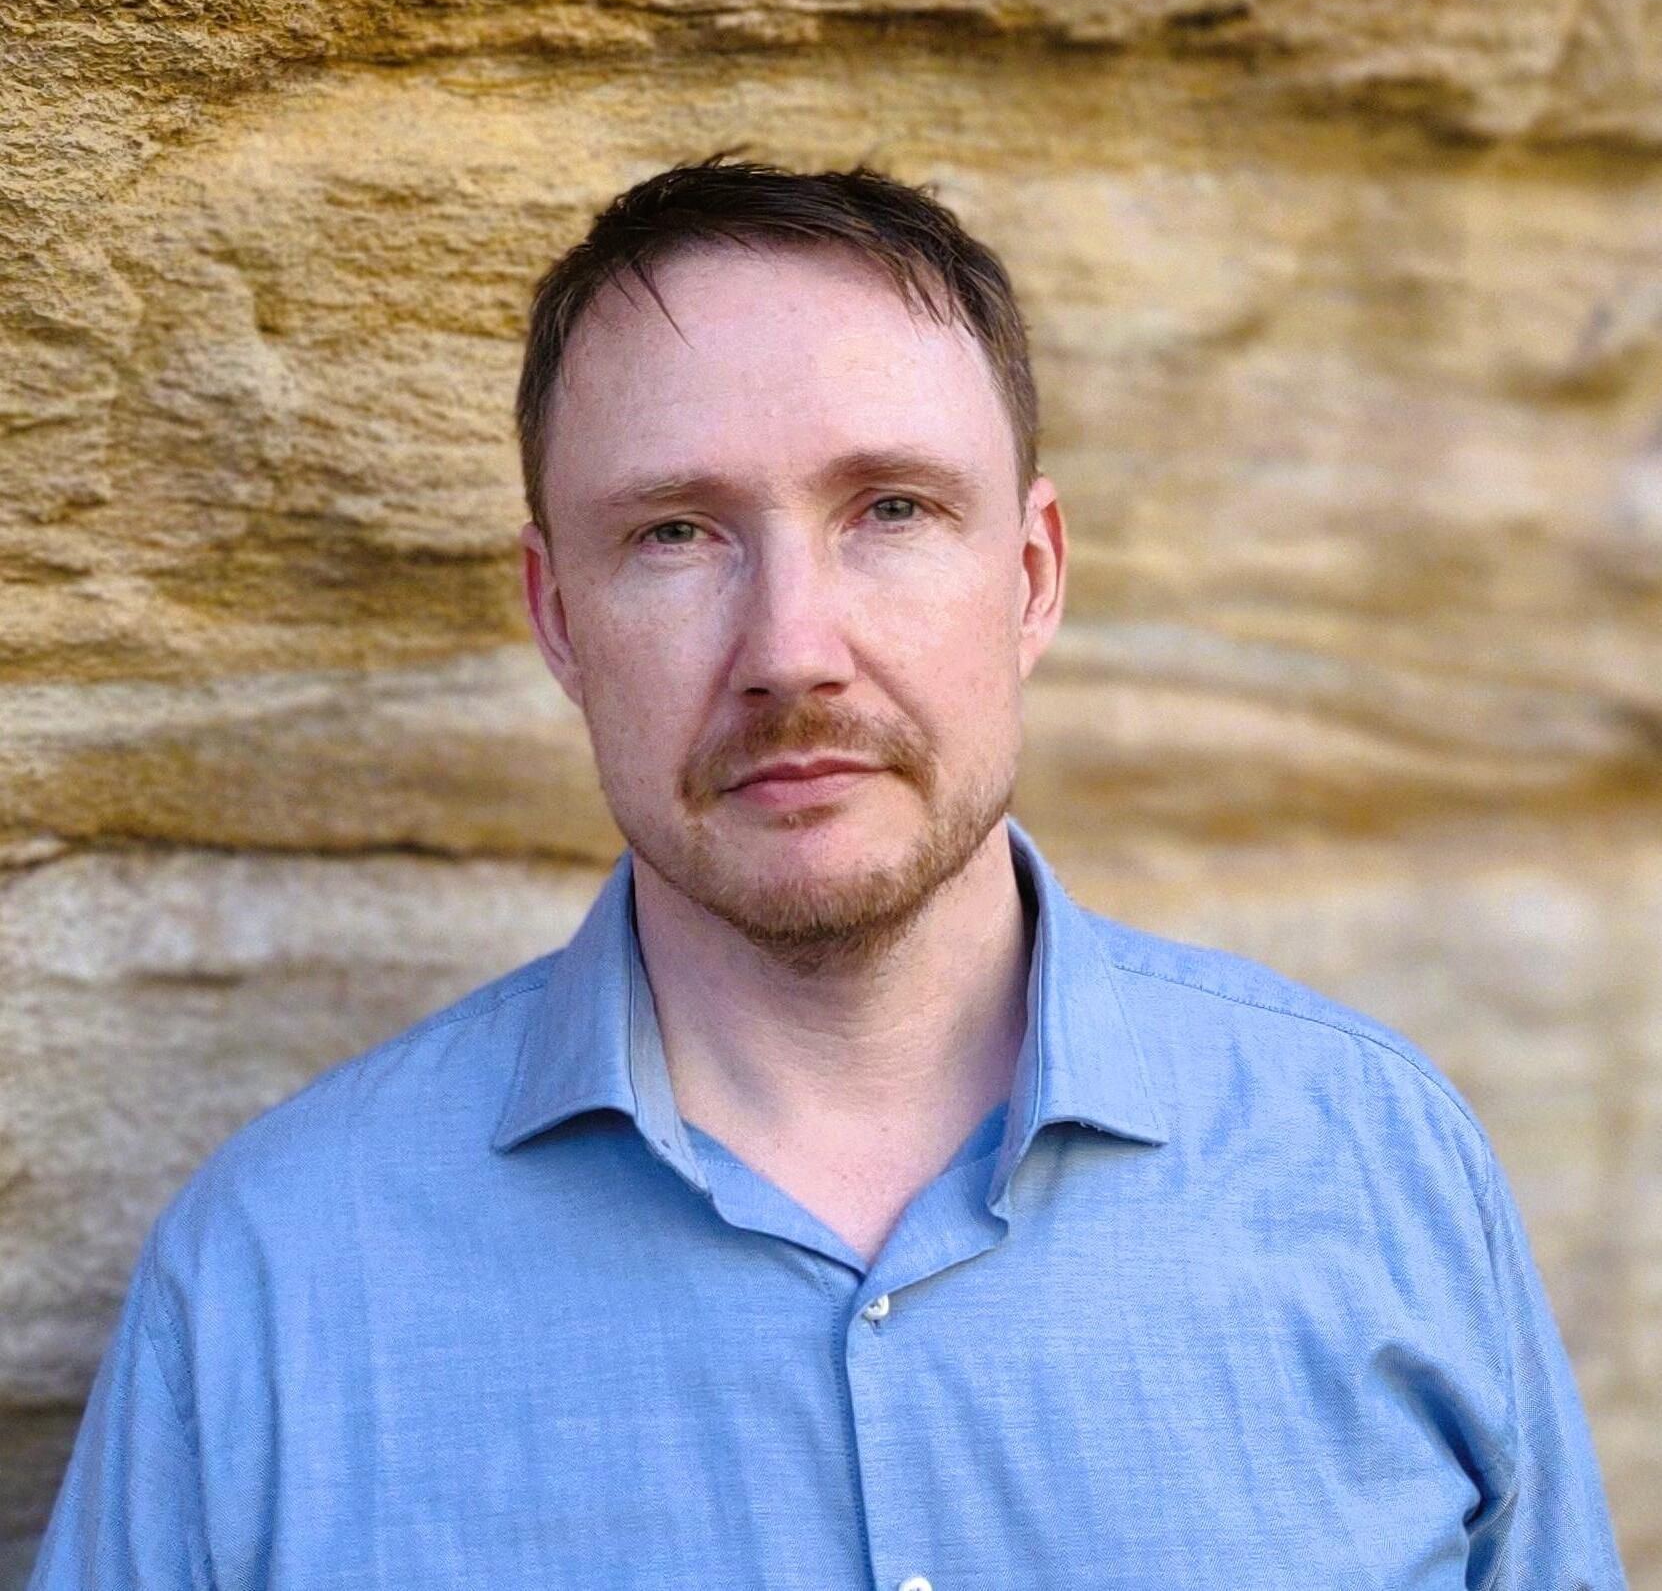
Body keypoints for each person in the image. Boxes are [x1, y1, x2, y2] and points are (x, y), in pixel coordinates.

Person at [30, 158, 1627, 1590]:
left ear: (1031, 576)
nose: (793, 650)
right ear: (556, 617)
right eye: (673, 532)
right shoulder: (266, 1292)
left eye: (890, 508)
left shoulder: (1375, 1168)